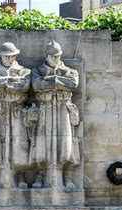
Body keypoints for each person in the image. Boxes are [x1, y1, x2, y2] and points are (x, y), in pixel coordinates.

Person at [0, 42, 31, 188]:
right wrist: (11, 82)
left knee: (19, 145)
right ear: (1, 56)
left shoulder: (24, 71)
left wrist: (3, 83)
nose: (10, 58)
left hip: (16, 109)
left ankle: (19, 177)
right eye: (7, 56)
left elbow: (24, 86)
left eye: (12, 55)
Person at [31, 41, 80, 189]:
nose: (55, 58)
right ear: (46, 56)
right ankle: (40, 175)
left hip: (63, 109)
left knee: (65, 144)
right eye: (52, 56)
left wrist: (52, 80)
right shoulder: (37, 71)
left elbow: (73, 83)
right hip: (45, 108)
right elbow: (37, 85)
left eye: (57, 56)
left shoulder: (69, 71)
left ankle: (67, 175)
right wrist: (58, 82)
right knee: (42, 144)